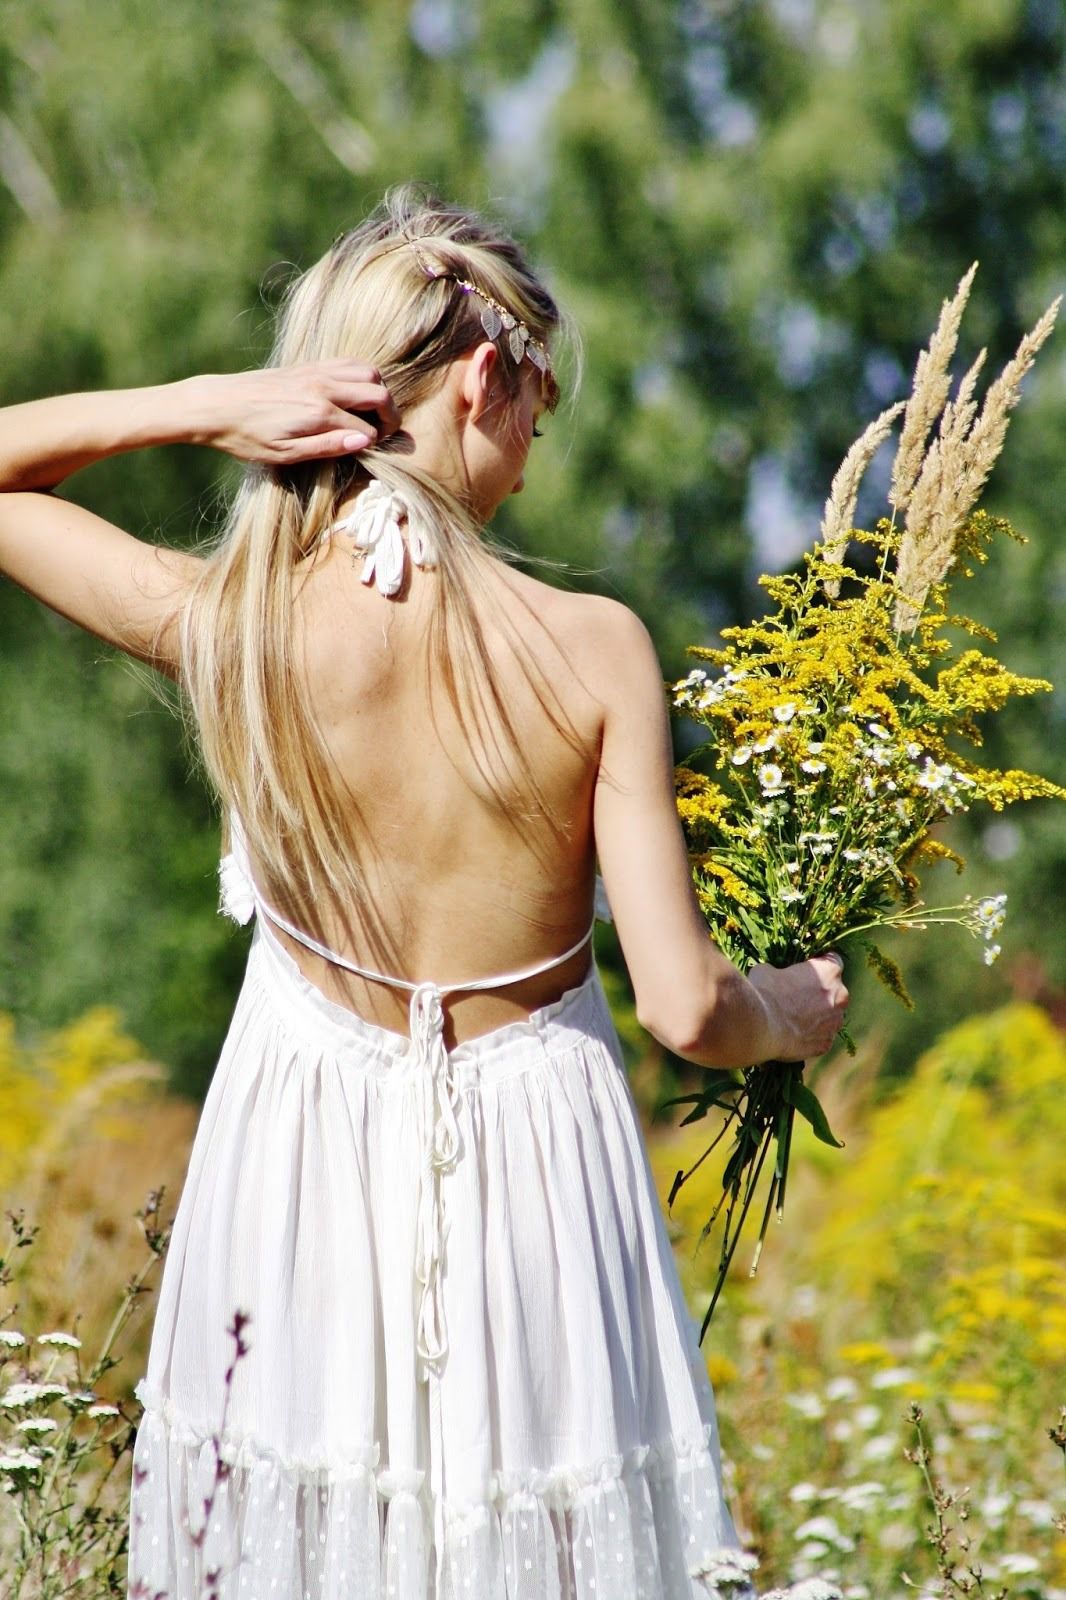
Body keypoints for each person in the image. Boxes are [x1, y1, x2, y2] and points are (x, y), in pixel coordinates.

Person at [0, 188, 847, 1600]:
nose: (538, 437)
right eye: (541, 397)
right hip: (538, 1176)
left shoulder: (240, 628)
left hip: (299, 1162)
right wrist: (793, 1010)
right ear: (480, 377)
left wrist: (209, 405)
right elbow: (690, 1011)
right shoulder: (591, 653)